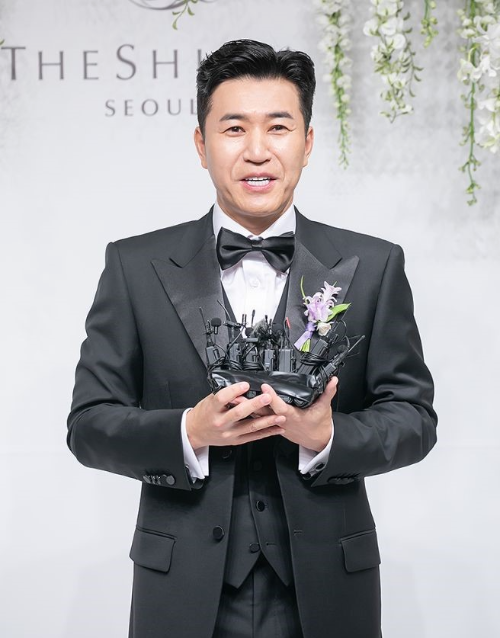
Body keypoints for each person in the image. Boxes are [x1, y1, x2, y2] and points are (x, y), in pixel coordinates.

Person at [68, 39, 437, 638]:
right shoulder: (133, 266)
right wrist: (189, 432)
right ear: (201, 144)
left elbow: (414, 418)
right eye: (235, 128)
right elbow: (88, 425)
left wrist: (327, 437)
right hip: (182, 590)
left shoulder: (374, 265)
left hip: (327, 589)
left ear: (308, 143)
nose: (257, 150)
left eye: (279, 127)